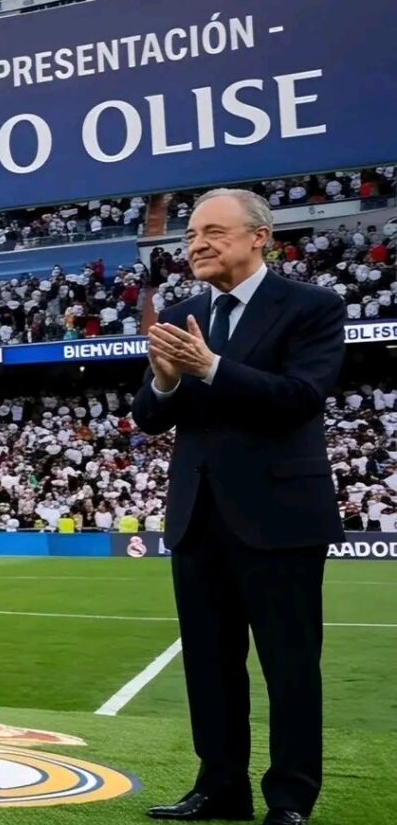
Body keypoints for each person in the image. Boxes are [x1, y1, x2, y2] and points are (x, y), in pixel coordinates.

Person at [131, 188, 345, 825]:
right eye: (191, 235)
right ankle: (220, 786)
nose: (196, 244)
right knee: (210, 664)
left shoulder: (312, 306)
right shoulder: (182, 312)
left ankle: (291, 799)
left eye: (214, 233)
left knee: (289, 666)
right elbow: (149, 417)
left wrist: (212, 367)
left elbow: (301, 396)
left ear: (260, 237)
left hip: (280, 516)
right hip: (198, 515)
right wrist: (165, 381)